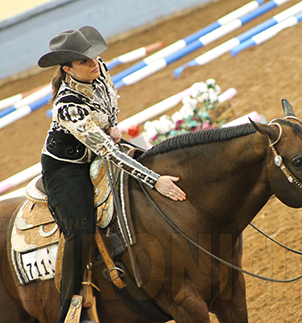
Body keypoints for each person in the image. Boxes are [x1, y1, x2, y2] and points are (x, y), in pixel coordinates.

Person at [38, 26, 186, 323]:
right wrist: (156, 181)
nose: (94, 62)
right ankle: (70, 310)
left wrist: (112, 126)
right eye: (84, 61)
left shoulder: (99, 70)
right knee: (79, 231)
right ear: (68, 69)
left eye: (94, 56)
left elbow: (108, 106)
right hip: (67, 168)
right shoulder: (67, 106)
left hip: (100, 145)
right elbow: (110, 153)